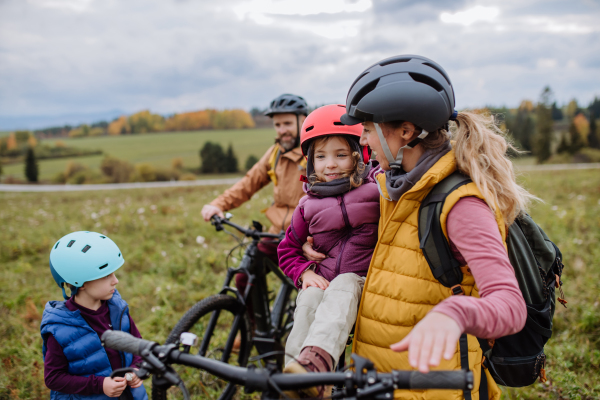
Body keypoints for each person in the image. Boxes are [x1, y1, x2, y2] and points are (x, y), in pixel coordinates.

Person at [304, 56, 530, 400]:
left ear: (406, 132)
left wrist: (456, 313)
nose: (364, 140)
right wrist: (314, 246)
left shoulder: (460, 204)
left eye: (368, 129)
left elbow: (510, 307)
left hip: (437, 389)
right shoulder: (392, 188)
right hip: (377, 379)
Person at [277, 104, 380, 398]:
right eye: (320, 157)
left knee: (344, 283)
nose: (330, 164)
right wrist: (304, 273)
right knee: (309, 297)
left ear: (360, 156)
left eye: (341, 155)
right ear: (310, 163)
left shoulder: (376, 190)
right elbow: (287, 250)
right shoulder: (307, 205)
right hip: (324, 279)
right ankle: (297, 377)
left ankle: (316, 367)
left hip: (362, 281)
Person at [40, 231, 148, 400]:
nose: (115, 280)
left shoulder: (118, 309)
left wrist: (136, 370)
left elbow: (138, 347)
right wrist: (100, 385)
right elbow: (54, 378)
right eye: (106, 275)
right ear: (79, 281)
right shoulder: (60, 328)